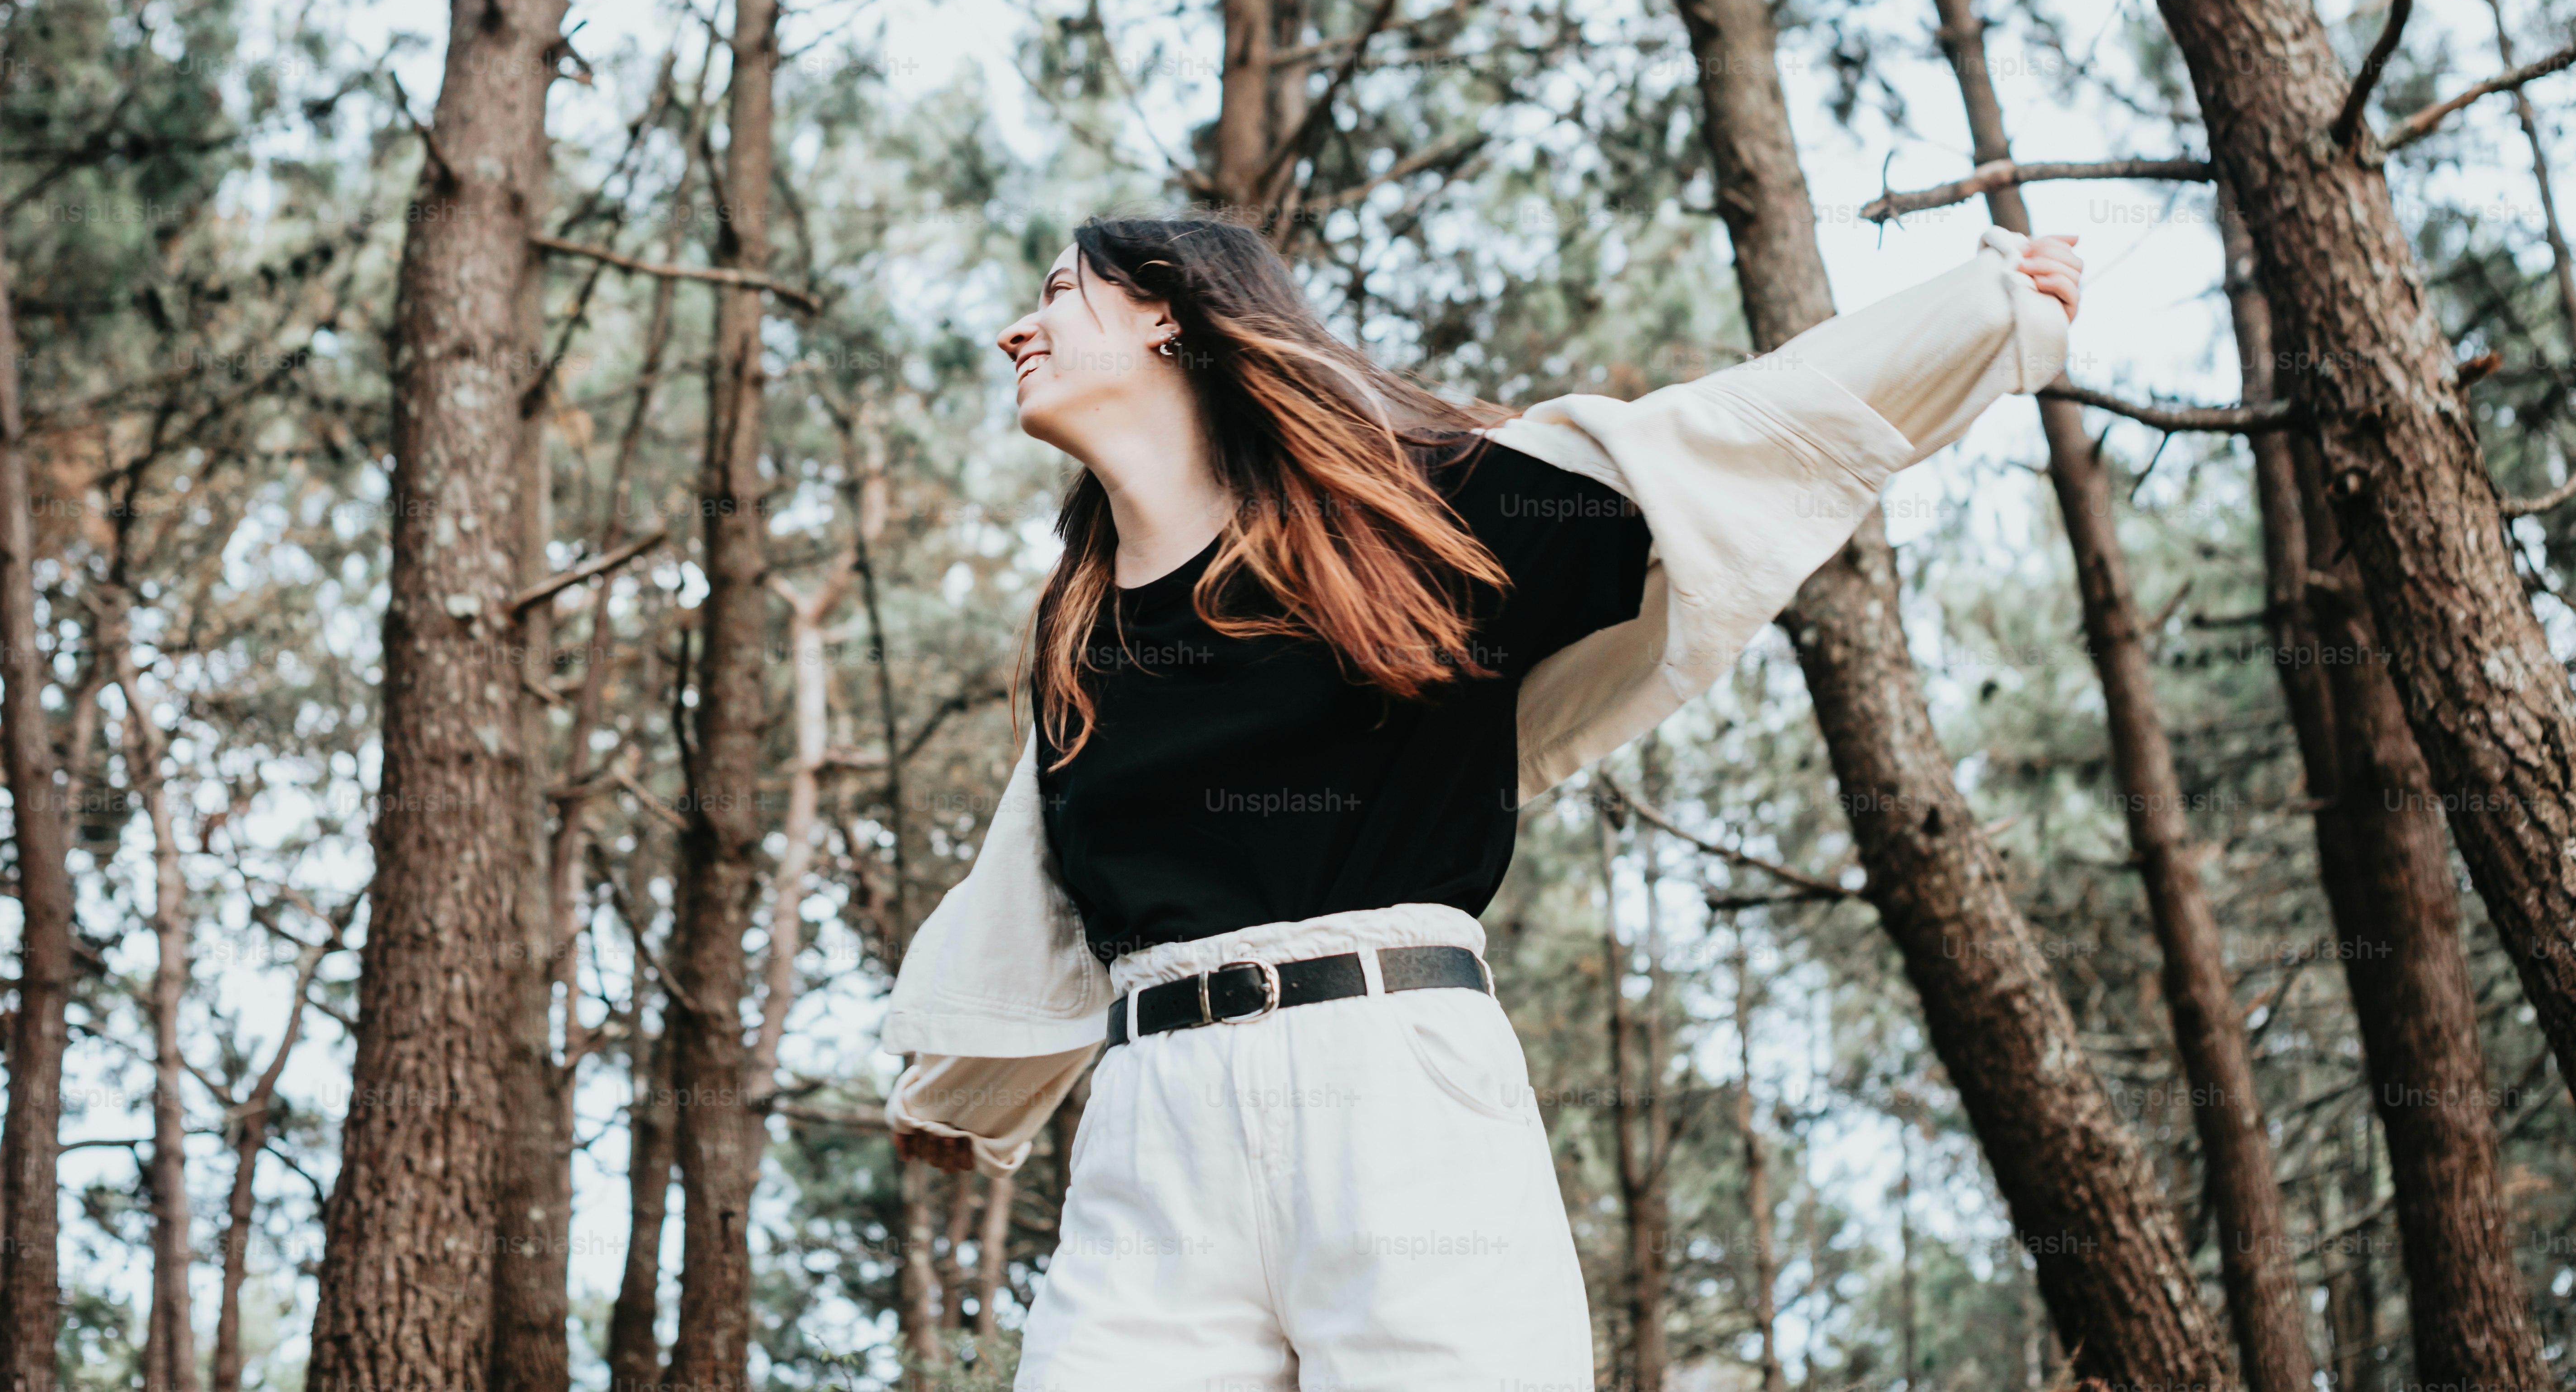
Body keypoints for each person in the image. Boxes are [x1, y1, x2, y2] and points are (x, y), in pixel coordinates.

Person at [883, 212, 2083, 1391]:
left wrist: (1982, 312)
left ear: (1168, 317)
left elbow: (1715, 441)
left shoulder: (1413, 521)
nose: (1017, 330)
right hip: (1152, 1137)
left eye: (1057, 292)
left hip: (1394, 1089)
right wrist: (964, 1092)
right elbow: (1033, 881)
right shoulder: (1080, 630)